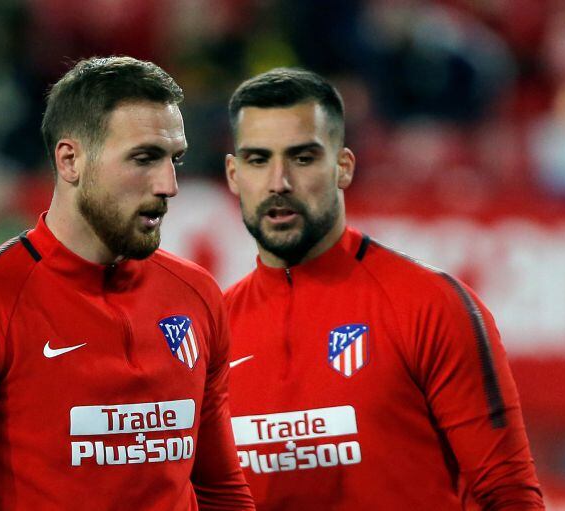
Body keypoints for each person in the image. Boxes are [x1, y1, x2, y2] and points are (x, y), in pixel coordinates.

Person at [0, 56, 254, 510]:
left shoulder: (197, 295)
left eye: (174, 159)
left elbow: (221, 492)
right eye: (144, 158)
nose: (168, 185)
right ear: (70, 160)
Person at [222, 67, 544, 510]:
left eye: (302, 158)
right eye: (259, 160)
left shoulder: (432, 305)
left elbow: (508, 493)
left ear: (343, 167)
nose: (279, 182)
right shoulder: (212, 333)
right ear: (234, 174)